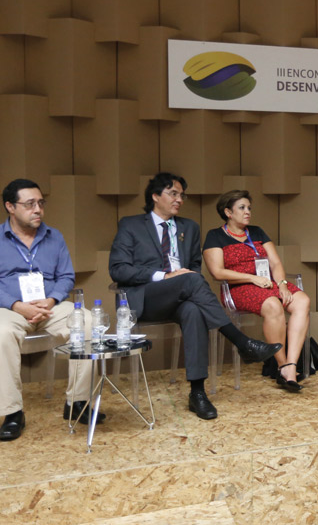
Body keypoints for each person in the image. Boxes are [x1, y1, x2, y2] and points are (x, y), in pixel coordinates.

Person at [108, 173, 281, 420]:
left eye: (182, 195)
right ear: (155, 196)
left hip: (181, 296)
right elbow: (118, 269)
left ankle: (197, 393)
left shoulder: (189, 227)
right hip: (145, 297)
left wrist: (183, 279)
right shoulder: (131, 225)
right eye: (173, 194)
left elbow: (195, 268)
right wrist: (164, 276)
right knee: (190, 281)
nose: (179, 200)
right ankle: (241, 342)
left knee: (193, 309)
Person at [0, 178, 98, 441]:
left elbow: (66, 277)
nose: (38, 209)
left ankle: (77, 402)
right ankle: (12, 413)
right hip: (8, 309)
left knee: (88, 322)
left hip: (49, 307)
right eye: (29, 204)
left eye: (40, 203)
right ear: (10, 207)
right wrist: (16, 305)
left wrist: (52, 299)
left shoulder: (55, 237)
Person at [203, 190, 311, 392]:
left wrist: (282, 284)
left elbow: (275, 263)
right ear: (228, 212)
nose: (248, 212)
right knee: (273, 305)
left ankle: (291, 364)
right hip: (239, 287)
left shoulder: (257, 232)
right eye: (242, 208)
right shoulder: (215, 236)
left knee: (302, 301)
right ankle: (282, 366)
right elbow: (217, 272)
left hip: (268, 283)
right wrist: (252, 278)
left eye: (249, 208)